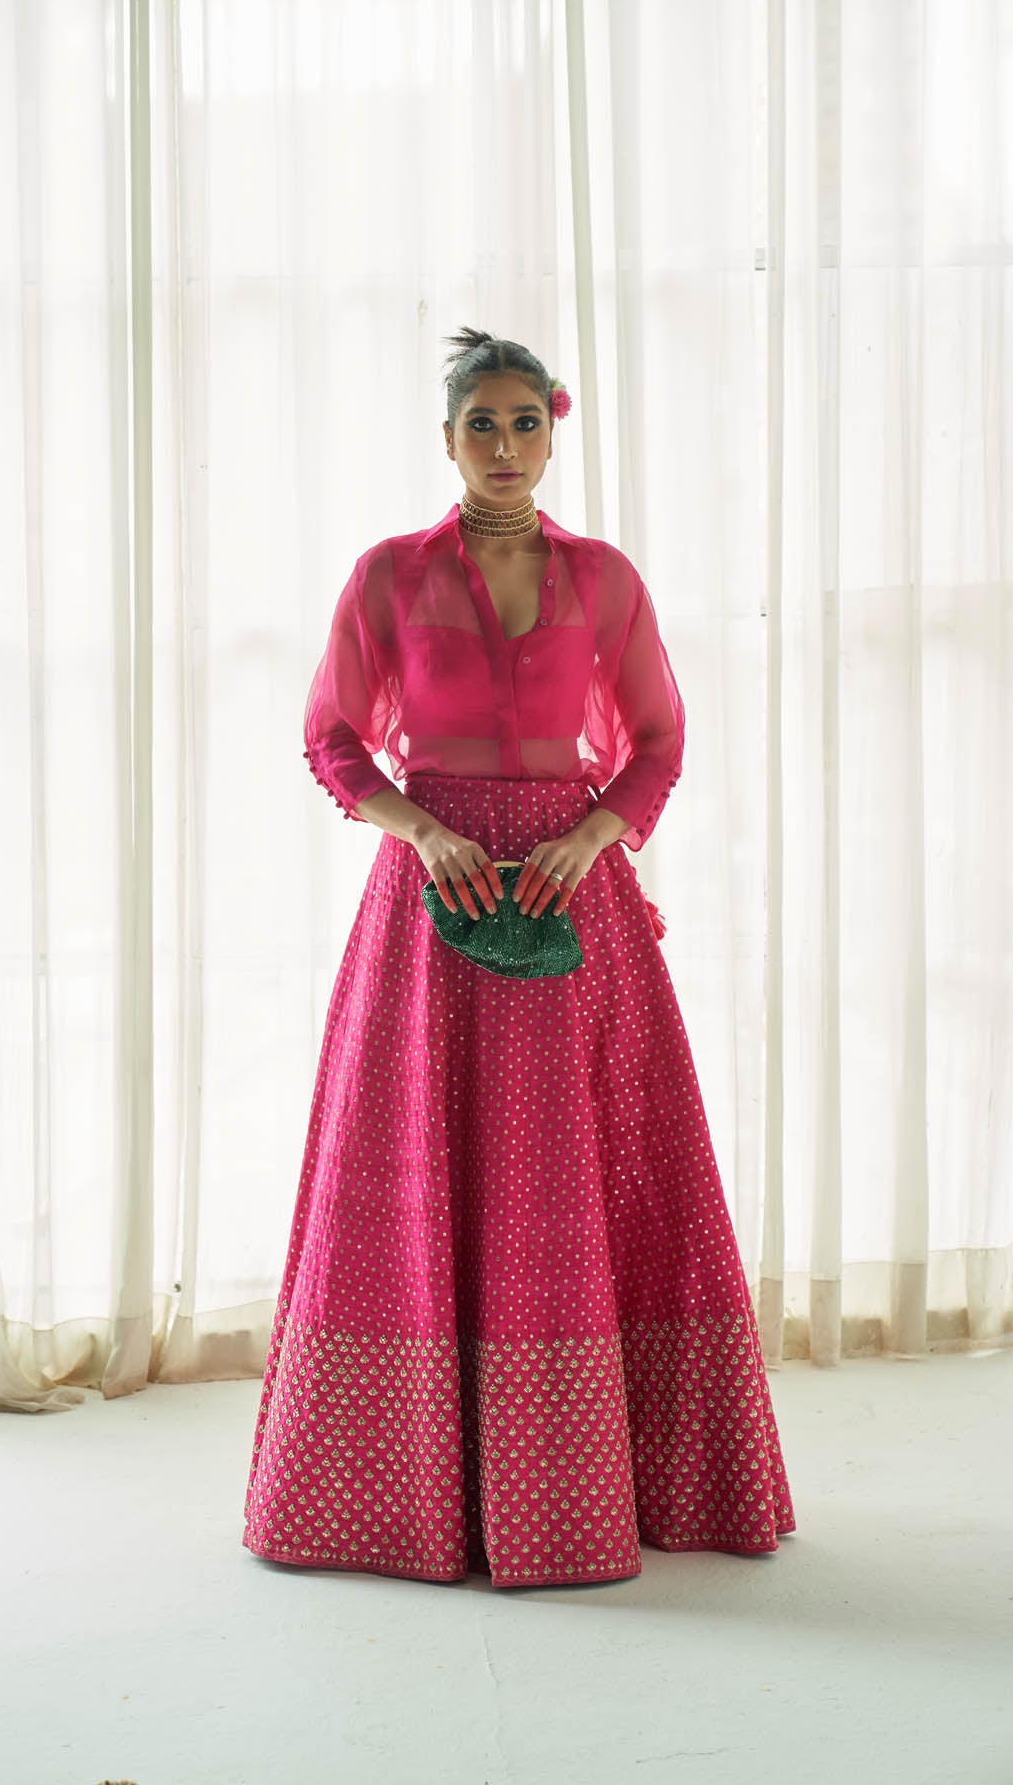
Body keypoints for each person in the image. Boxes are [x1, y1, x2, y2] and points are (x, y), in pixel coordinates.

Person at [242, 326, 796, 1589]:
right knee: (418, 1165)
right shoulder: (387, 577)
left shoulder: (603, 580)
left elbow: (654, 738)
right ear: (445, 440)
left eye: (523, 424)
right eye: (479, 425)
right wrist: (422, 827)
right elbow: (333, 742)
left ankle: (596, 1488)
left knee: (577, 1170)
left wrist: (597, 833)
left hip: (568, 897)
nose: (503, 447)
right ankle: (399, 1496)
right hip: (432, 904)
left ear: (553, 432)